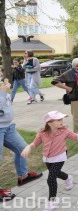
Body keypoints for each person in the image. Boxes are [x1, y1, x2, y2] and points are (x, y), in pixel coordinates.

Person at [21, 111, 78, 210]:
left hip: (60, 156)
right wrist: (28, 147)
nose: (62, 121)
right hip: (48, 158)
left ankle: (52, 200)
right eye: (58, 119)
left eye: (62, 119)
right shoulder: (42, 133)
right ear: (49, 122)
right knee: (56, 173)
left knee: (51, 178)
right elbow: (35, 144)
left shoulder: (64, 130)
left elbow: (76, 137)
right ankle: (68, 178)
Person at [0, 69, 43, 201]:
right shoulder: (2, 90)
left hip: (8, 127)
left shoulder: (2, 88)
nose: (2, 76)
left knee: (23, 149)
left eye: (1, 74)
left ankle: (23, 176)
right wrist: (2, 93)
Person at [52, 58, 78, 133]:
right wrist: (67, 88)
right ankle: (77, 132)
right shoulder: (69, 73)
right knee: (77, 116)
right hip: (74, 98)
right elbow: (55, 81)